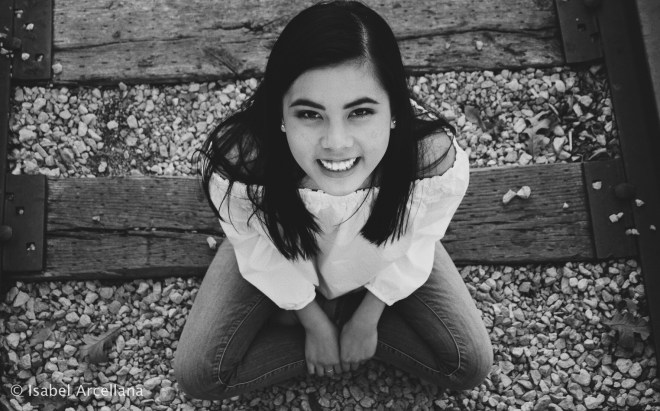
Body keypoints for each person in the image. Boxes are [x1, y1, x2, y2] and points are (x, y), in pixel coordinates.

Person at [174, 0, 492, 400]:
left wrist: (368, 318)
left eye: (360, 112)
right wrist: (314, 323)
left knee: (469, 364)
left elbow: (419, 238)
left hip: (391, 243)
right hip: (276, 243)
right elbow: (255, 245)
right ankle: (328, 325)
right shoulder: (245, 168)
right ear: (281, 114)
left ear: (394, 108)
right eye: (310, 114)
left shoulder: (428, 163)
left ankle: (351, 327)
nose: (336, 143)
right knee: (198, 375)